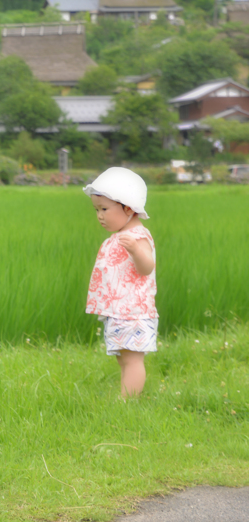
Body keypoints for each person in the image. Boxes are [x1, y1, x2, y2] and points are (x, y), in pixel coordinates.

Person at [84, 167, 157, 398]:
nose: (100, 215)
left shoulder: (137, 236)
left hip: (133, 312)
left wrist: (135, 250)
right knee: (123, 358)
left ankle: (127, 402)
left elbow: (147, 267)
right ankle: (126, 397)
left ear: (128, 208)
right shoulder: (118, 236)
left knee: (132, 359)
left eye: (104, 209)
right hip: (119, 310)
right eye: (97, 210)